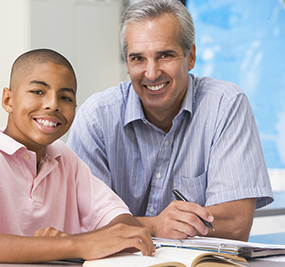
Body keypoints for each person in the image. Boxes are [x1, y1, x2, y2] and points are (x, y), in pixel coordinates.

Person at [66, 0, 273, 242]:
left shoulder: (225, 106)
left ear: (191, 56)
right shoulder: (97, 118)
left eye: (165, 56)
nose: (152, 73)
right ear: (127, 63)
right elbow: (79, 222)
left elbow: (236, 224)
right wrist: (153, 225)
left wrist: (127, 225)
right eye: (138, 59)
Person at [0, 49, 155, 265]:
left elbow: (124, 224)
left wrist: (75, 242)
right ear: (8, 100)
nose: (53, 105)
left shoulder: (64, 158)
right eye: (38, 92)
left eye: (66, 97)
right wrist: (73, 245)